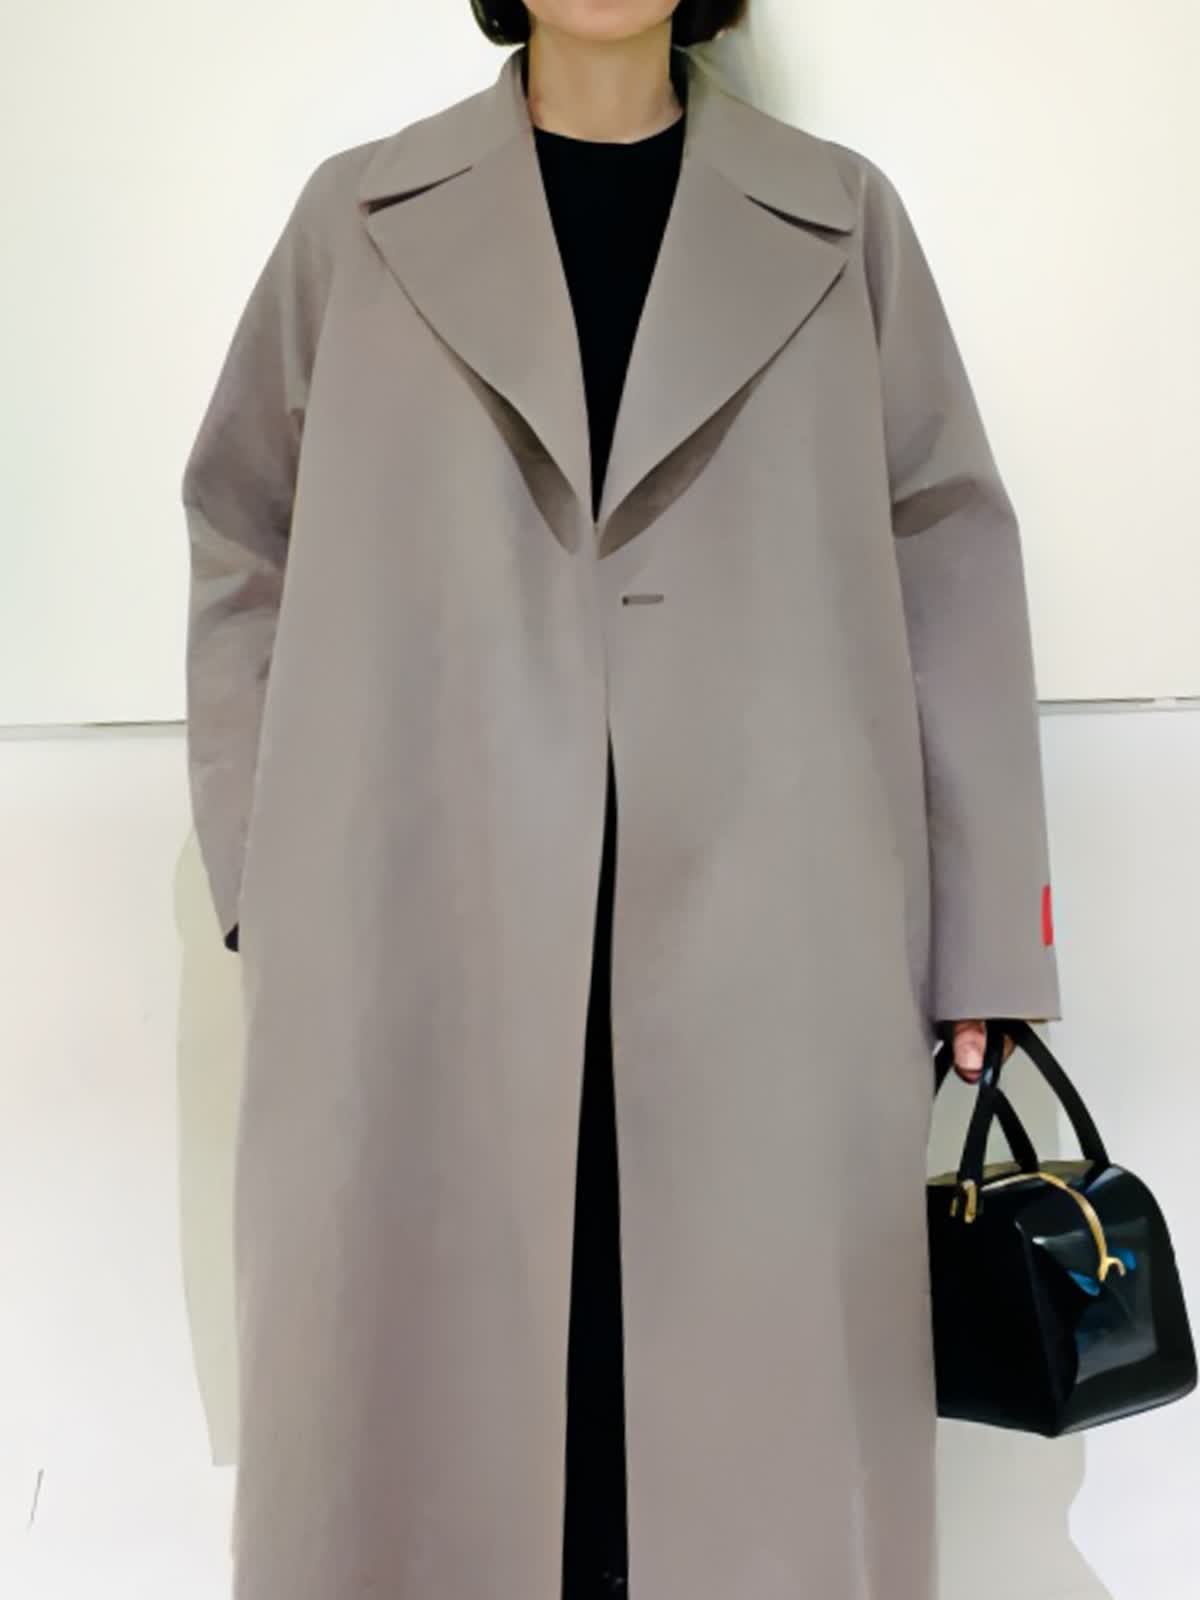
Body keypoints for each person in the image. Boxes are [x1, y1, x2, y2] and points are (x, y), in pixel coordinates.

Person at [181, 4, 1060, 1598]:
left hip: (768, 935)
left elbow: (952, 562)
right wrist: (274, 874)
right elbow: (241, 536)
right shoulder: (356, 223)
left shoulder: (841, 223)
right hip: (422, 927)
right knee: (433, 1417)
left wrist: (988, 937)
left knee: (745, 1444)